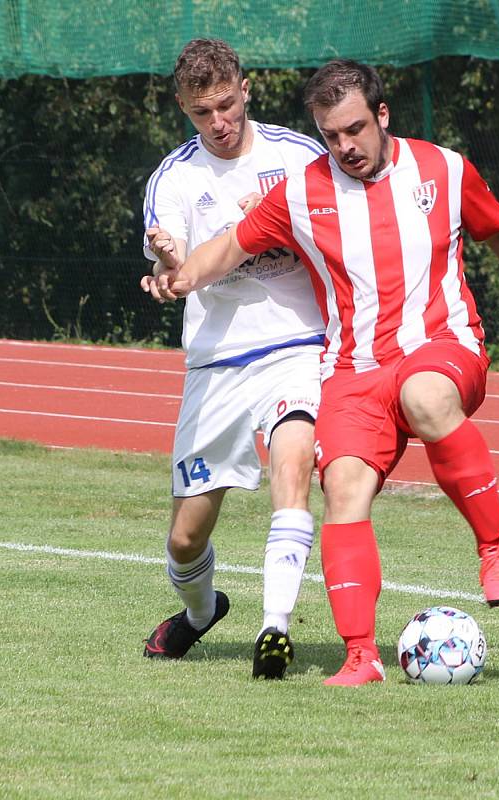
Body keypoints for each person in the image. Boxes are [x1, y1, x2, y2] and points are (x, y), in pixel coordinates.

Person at [159, 60, 499, 686]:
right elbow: (227, 248)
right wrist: (177, 277)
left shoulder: (443, 169)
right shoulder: (300, 192)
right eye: (331, 134)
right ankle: (361, 657)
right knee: (340, 486)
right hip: (351, 370)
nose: (345, 147)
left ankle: (495, 550)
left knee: (424, 396)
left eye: (355, 129)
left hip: (441, 346)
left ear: (382, 115)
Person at [139, 39, 327, 680]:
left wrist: (273, 221)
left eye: (225, 104)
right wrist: (167, 263)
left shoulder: (299, 156)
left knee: (293, 464)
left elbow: (338, 235)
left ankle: (274, 631)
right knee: (186, 539)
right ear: (183, 110)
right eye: (201, 113)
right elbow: (180, 266)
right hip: (217, 362)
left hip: (299, 344)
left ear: (247, 88)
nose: (218, 123)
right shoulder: (175, 179)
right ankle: (198, 614)